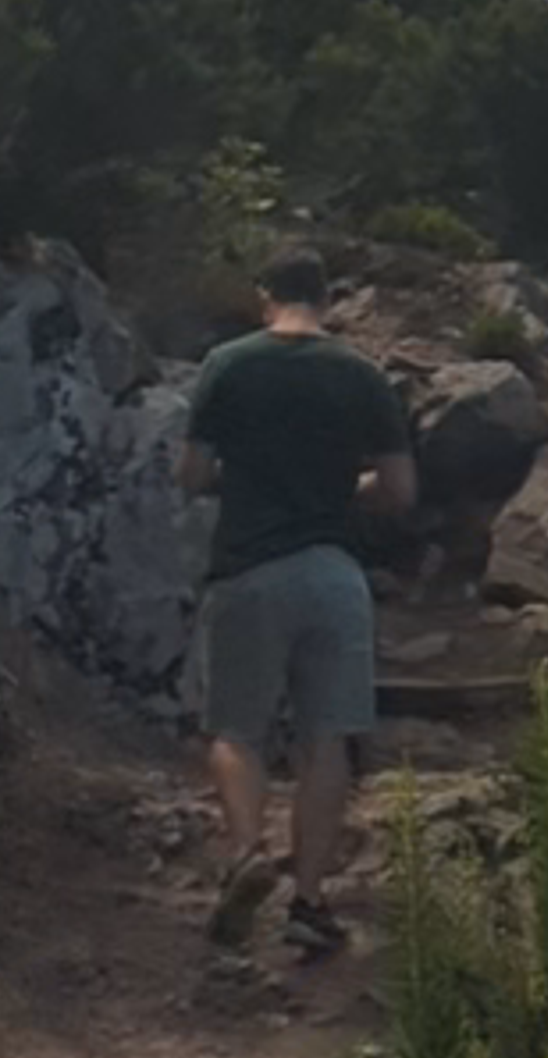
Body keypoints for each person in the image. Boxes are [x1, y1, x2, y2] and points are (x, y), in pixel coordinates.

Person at [178, 244, 416, 957]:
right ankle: (309, 903)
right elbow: (401, 492)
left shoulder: (229, 364)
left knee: (235, 730)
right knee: (327, 738)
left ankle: (249, 850)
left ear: (263, 297)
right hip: (335, 573)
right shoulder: (362, 375)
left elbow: (191, 474)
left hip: (249, 569)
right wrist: (345, 491)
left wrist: (243, 484)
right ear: (329, 299)